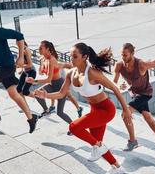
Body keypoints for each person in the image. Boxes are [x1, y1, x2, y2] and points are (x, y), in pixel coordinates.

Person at [35, 43, 132, 174]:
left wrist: (126, 110)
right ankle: (117, 168)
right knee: (97, 144)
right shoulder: (71, 73)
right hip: (94, 110)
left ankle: (99, 148)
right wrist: (45, 95)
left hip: (106, 110)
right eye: (70, 56)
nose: (71, 59)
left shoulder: (92, 73)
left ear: (85, 57)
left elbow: (114, 88)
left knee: (74, 127)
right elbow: (61, 93)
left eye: (75, 56)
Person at [114, 43, 155, 153]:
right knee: (148, 117)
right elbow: (115, 82)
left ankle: (132, 141)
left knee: (126, 113)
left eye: (125, 55)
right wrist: (120, 85)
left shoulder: (142, 64)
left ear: (132, 54)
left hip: (145, 93)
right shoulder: (119, 65)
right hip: (135, 93)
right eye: (122, 55)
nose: (123, 58)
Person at [26, 41, 76, 126]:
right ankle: (47, 110)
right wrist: (41, 69)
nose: (39, 49)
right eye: (39, 48)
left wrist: (34, 81)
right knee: (37, 93)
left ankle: (74, 127)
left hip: (60, 86)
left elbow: (48, 79)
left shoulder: (51, 60)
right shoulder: (44, 59)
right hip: (52, 85)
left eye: (41, 48)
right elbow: (42, 73)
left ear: (47, 49)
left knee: (60, 113)